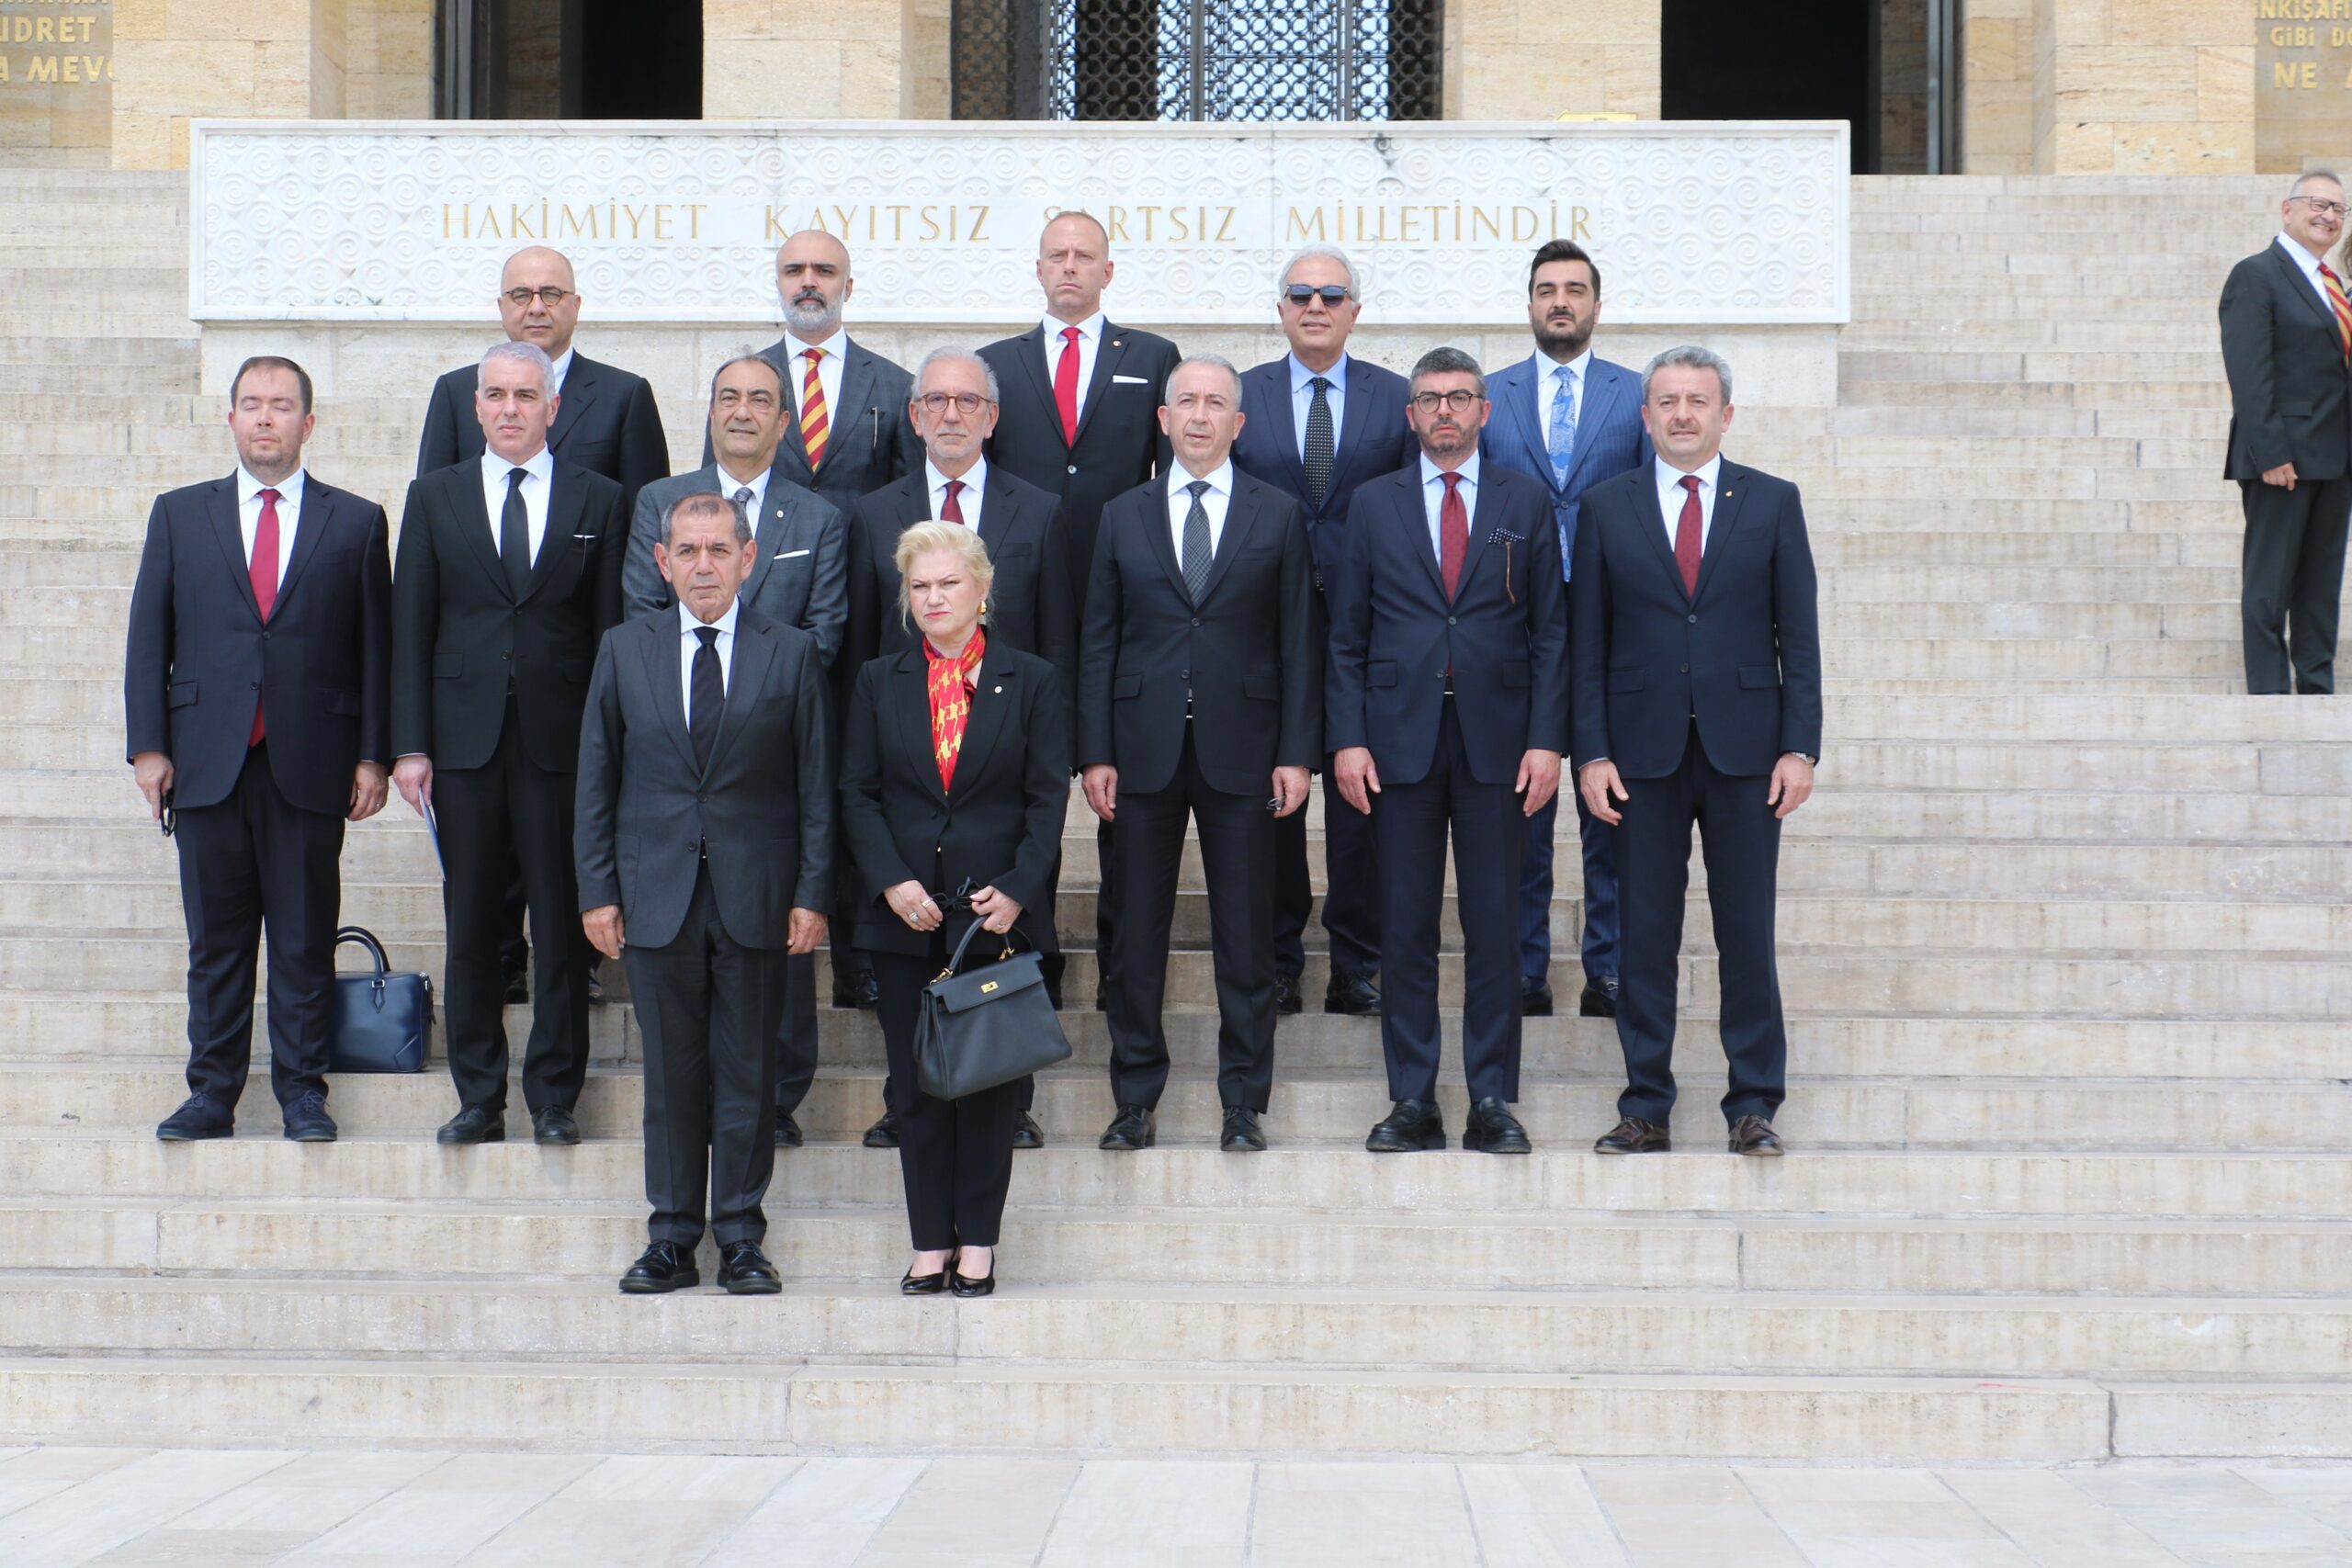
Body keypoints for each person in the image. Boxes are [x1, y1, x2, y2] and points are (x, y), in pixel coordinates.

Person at [127, 355, 392, 1143]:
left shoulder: (356, 520)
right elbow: (150, 639)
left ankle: (303, 1092)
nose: (266, 418)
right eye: (252, 405)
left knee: (306, 937)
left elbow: (375, 648)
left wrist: (373, 754)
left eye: (282, 406)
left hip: (311, 760)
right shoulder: (180, 514)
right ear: (232, 419)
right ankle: (211, 1092)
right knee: (217, 941)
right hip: (206, 759)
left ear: (309, 423)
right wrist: (149, 747)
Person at [577, 491, 833, 1294]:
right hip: (656, 896)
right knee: (672, 1079)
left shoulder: (790, 652)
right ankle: (672, 1237)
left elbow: (815, 786)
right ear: (662, 562)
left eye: (719, 550)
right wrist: (597, 890)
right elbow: (596, 781)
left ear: (748, 559)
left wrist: (813, 891)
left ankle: (742, 1237)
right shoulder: (624, 648)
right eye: (686, 551)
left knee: (749, 1075)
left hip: (757, 894)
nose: (703, 565)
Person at [1572, 346, 1821, 1157]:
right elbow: (1588, 644)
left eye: (1698, 400)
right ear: (1645, 417)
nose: (1682, 413)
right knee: (1645, 934)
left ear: (1726, 414)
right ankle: (1646, 1102)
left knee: (1747, 931)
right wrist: (1592, 751)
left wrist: (1800, 746)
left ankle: (1752, 1100)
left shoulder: (1774, 501)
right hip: (1641, 754)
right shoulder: (1606, 507)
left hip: (1747, 753)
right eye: (1667, 401)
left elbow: (1800, 636)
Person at [415, 245, 669, 1008]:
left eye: (551, 292)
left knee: (562, 886)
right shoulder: (457, 395)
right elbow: (428, 555)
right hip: (472, 704)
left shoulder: (623, 397)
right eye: (520, 293)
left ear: (575, 304)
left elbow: (639, 547)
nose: (536, 305)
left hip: (564, 691)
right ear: (500, 307)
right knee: (477, 906)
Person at [1327, 347, 1566, 1156]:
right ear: (1411, 414)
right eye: (1429, 399)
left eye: (1459, 398)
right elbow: (1346, 637)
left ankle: (1493, 1097)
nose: (1444, 412)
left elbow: (1551, 635)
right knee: (1406, 927)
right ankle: (1412, 1097)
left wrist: (1546, 740)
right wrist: (1349, 738)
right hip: (1397, 746)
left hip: (1501, 748)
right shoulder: (1373, 504)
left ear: (1484, 410)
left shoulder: (1525, 501)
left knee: (1496, 928)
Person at [1078, 356, 1318, 1154]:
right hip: (1140, 753)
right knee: (1135, 936)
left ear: (1238, 423)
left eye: (1217, 403)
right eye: (1187, 401)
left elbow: (1297, 642)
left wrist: (1297, 753)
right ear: (1164, 417)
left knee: (1247, 939)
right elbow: (1099, 641)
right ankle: (1134, 1098)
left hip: (1245, 752)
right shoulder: (1121, 514)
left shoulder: (1277, 514)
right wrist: (1094, 751)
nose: (1201, 415)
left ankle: (1243, 1100)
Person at [392, 340, 627, 1147]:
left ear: (552, 407)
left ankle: (554, 1096)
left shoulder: (600, 499)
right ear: (476, 405)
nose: (510, 408)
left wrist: (611, 747)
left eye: (527, 395)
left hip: (563, 745)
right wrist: (410, 744)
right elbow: (411, 625)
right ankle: (479, 1096)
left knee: (562, 928)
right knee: (474, 928)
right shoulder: (435, 496)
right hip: (462, 745)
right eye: (495, 394)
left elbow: (610, 636)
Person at [843, 346, 1077, 1153]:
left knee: (1000, 948)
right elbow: (863, 646)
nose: (950, 413)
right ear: (913, 416)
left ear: (993, 416)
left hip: (1002, 762)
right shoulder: (872, 514)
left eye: (967, 401)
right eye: (935, 400)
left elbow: (1054, 634)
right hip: (910, 759)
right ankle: (901, 1095)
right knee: (907, 957)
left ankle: (1006, 1100)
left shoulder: (1039, 510)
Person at [839, 522, 1070, 1297]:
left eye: (947, 583)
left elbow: (1046, 799)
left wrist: (1017, 887)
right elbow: (858, 793)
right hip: (908, 918)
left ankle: (978, 1241)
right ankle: (928, 1242)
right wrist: (890, 881)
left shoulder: (1030, 678)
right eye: (919, 586)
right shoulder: (879, 679)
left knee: (988, 1088)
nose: (933, 598)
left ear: (981, 589)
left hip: (993, 922)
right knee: (914, 1087)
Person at [628, 354, 849, 1148]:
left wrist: (754, 688)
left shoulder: (817, 517)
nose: (744, 410)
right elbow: (641, 616)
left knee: (772, 969)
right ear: (710, 410)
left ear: (785, 421)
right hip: (674, 757)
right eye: (730, 396)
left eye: (762, 398)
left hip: (769, 756)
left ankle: (776, 1103)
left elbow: (825, 633)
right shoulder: (658, 502)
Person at [980, 211, 1184, 1019]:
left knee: (1117, 799)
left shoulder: (1154, 358)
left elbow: (1170, 486)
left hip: (1123, 610)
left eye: (1084, 256)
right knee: (1018, 799)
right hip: (1022, 609)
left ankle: (1117, 969)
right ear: (1038, 269)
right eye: (1057, 256)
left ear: (1108, 270)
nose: (1070, 267)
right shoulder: (997, 364)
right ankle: (1034, 959)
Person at [714, 230, 915, 1019]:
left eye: (822, 270)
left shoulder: (892, 384)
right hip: (770, 622)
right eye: (794, 270)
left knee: (855, 787)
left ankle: (860, 958)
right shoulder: (746, 384)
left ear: (848, 286)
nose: (808, 282)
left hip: (862, 617)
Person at [1230, 244, 1416, 1020]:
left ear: (1354, 310)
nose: (1315, 304)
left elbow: (1409, 503)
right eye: (1300, 293)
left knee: (1358, 802)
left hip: (1366, 629)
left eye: (1331, 294)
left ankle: (1357, 961)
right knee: (1273, 801)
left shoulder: (1397, 397)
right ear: (1280, 309)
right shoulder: (1240, 395)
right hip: (1261, 629)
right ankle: (1277, 958)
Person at [1481, 240, 1651, 1018]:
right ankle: (1523, 967)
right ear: (1528, 305)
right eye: (1547, 289)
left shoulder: (1638, 395)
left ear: (1596, 305)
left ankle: (1609, 967)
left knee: (1610, 807)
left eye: (1574, 289)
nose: (1560, 301)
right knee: (1525, 802)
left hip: (1614, 622)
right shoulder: (1491, 394)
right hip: (1517, 625)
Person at [2220, 169, 2352, 694]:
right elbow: (2250, 376)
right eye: (2318, 204)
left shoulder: (2334, 285)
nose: (2329, 216)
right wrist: (2271, 453)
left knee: (2321, 584)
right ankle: (2269, 692)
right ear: (2288, 209)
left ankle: (2317, 685)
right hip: (2283, 460)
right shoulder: (2256, 275)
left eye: (2339, 209)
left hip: (2336, 458)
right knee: (2270, 583)